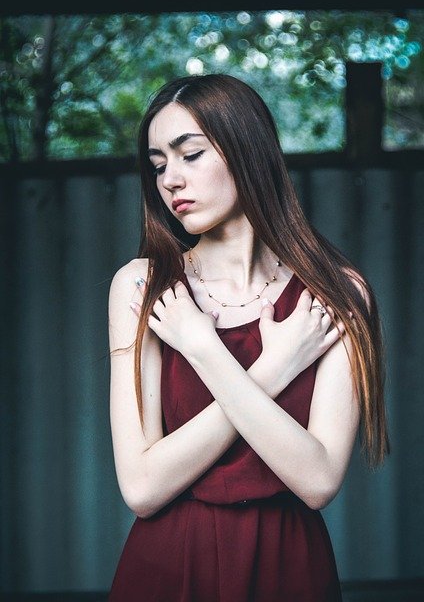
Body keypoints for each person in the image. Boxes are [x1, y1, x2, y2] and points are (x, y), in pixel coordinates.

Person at [107, 73, 389, 601]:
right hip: (171, 563)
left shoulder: (337, 292)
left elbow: (318, 481)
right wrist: (273, 367)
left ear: (247, 150)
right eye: (159, 164)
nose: (170, 180)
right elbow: (142, 488)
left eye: (191, 154)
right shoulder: (143, 287)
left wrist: (204, 351)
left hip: (290, 563)